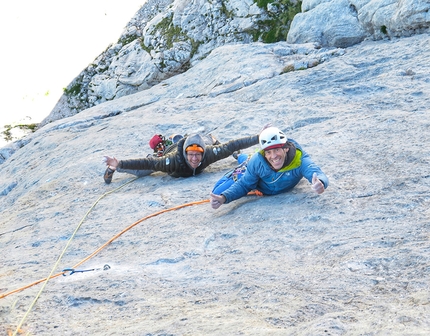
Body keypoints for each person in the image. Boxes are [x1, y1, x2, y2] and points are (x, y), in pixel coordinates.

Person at [210, 126, 328, 209]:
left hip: (258, 175)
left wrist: (321, 183)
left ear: (286, 148)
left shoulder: (299, 159)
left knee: (248, 159)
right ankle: (239, 156)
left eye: (277, 150)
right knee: (217, 192)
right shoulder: (257, 161)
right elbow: (244, 184)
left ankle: (239, 155)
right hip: (251, 171)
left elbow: (316, 173)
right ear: (264, 153)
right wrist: (224, 197)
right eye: (269, 152)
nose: (273, 156)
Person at [102, 130, 263, 184]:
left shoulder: (207, 155)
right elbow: (146, 162)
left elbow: (231, 146)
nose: (194, 159)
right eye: (191, 155)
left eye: (197, 156)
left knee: (209, 140)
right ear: (185, 154)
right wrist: (120, 163)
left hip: (202, 142)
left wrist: (259, 137)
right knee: (144, 170)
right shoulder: (172, 161)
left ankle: (205, 138)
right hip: (171, 153)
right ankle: (114, 168)